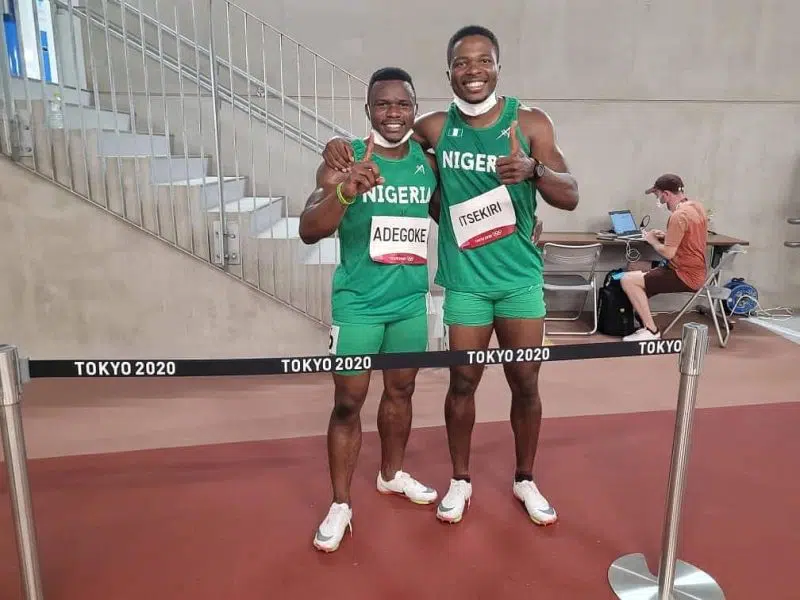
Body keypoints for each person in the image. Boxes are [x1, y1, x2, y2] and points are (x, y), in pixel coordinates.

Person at [322, 26, 579, 527]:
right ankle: (460, 479)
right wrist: (336, 145)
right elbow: (386, 136)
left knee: (526, 381)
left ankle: (525, 478)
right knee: (462, 382)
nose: (473, 70)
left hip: (520, 279)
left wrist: (535, 171)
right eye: (462, 62)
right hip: (464, 282)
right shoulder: (434, 128)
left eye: (483, 60)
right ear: (449, 73)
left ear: (498, 67)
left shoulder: (530, 122)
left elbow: (570, 193)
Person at [299, 67, 440, 552]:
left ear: (414, 110)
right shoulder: (344, 161)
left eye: (402, 104)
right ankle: (341, 502)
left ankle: (391, 473)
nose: (393, 113)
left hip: (410, 303)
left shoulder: (427, 163)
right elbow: (308, 229)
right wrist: (344, 191)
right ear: (368, 110)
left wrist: (522, 226)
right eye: (383, 104)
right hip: (358, 305)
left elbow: (456, 213)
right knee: (348, 403)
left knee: (402, 391)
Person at [620, 174, 709, 342]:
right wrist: (667, 237)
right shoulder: (696, 207)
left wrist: (652, 240)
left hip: (684, 275)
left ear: (666, 194)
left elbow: (668, 253)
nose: (658, 199)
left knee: (627, 280)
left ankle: (651, 331)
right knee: (634, 267)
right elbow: (689, 237)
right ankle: (638, 318)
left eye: (657, 194)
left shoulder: (678, 216)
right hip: (696, 271)